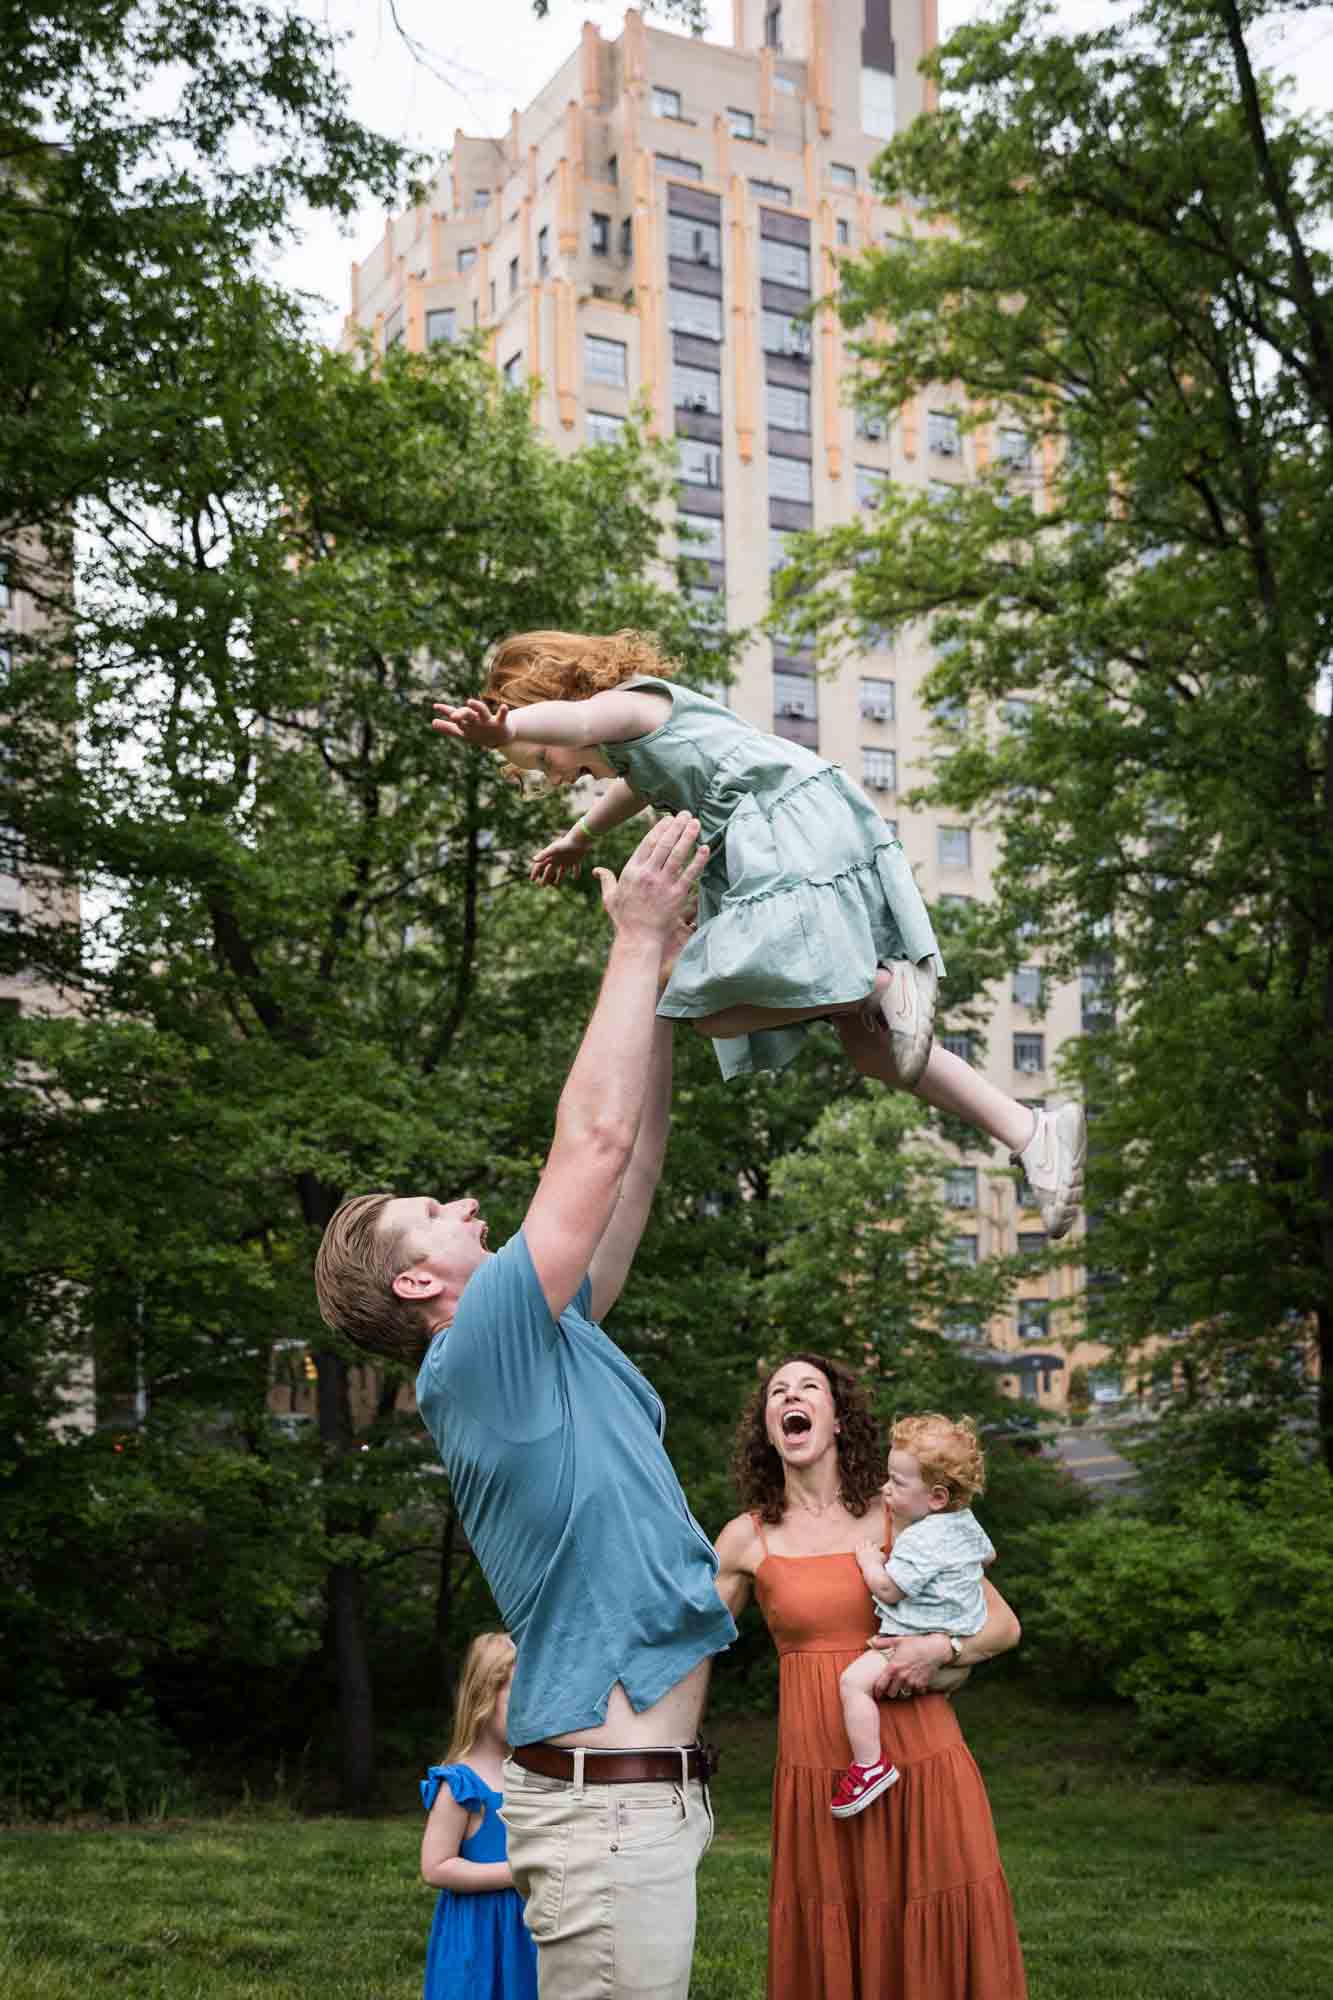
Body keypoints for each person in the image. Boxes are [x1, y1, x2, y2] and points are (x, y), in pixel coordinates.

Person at [313, 810, 736, 2000]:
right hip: (609, 1816)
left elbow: (634, 1163)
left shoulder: (545, 1337)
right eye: (431, 1210)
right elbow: (587, 1145)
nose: (460, 1199)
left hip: (641, 1801)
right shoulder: (477, 1350)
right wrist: (633, 937)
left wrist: (660, 982)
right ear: (418, 1283)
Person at [431, 629, 1084, 1239]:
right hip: (779, 836)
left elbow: (573, 724)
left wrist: (505, 728)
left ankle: (884, 984)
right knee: (872, 1049)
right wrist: (577, 838)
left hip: (784, 825)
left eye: (544, 759)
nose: (555, 773)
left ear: (561, 698)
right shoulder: (630, 750)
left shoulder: (627, 706)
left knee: (712, 1007)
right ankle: (1031, 1133)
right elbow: (630, 786)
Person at [714, 1354, 1027, 2000]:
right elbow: (682, 1648)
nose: (790, 1397)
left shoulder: (901, 1522)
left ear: (836, 1420)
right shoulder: (745, 1540)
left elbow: (1000, 1625)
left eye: (808, 1388)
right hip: (820, 1775)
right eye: (777, 1392)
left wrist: (938, 1649)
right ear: (768, 1427)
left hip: (920, 1763)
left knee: (931, 1928)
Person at [834, 1412, 996, 1820]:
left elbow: (889, 1588)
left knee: (853, 1683)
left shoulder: (919, 1538)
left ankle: (870, 1765)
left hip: (911, 1637)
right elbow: (988, 1555)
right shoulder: (964, 1522)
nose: (886, 1489)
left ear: (937, 1497)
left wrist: (870, 1561)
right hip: (957, 1633)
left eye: (897, 1483)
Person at [419, 1631, 537, 2000]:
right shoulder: (460, 1785)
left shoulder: (532, 1774)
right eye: (519, 1696)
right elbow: (435, 1867)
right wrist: (515, 1872)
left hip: (526, 1932)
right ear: (485, 1696)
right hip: (477, 1937)